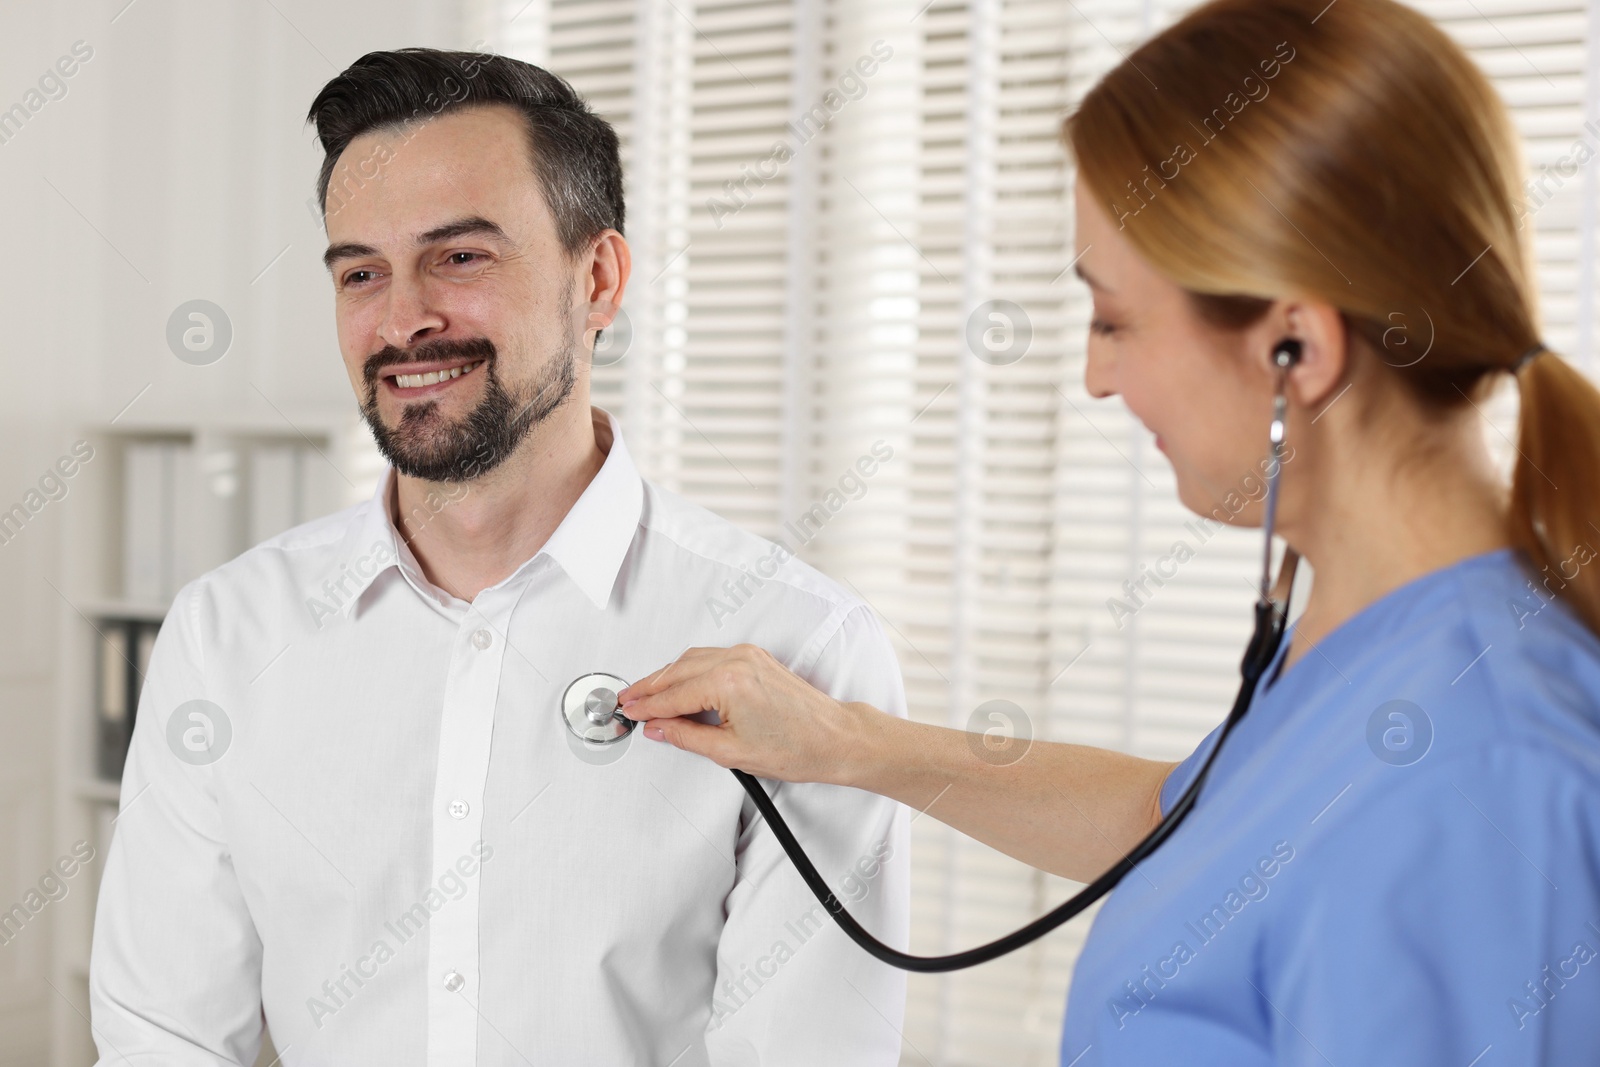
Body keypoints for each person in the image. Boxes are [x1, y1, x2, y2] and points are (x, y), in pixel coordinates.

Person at [618, 0, 1600, 1063]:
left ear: (1294, 349)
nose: (1094, 375)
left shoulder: (1470, 769)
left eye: (1114, 319)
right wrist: (840, 741)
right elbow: (1175, 820)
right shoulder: (1372, 648)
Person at [87, 49, 909, 1066]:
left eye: (461, 257)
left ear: (598, 278)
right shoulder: (227, 635)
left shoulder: (797, 644)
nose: (400, 319)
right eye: (360, 272)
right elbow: (160, 1036)